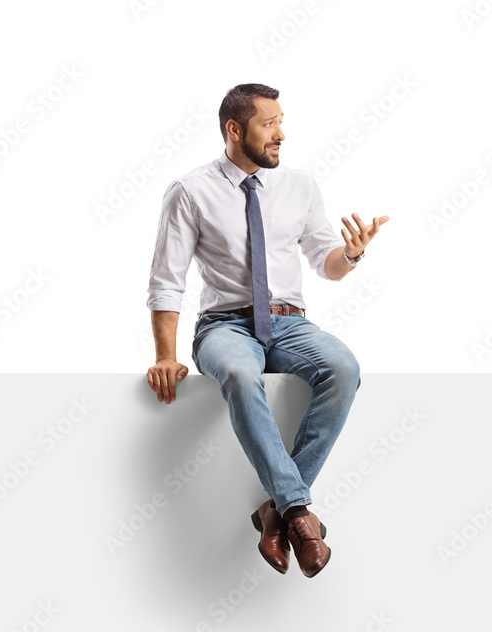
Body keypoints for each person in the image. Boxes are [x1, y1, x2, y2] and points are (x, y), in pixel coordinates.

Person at [144, 84, 388, 578]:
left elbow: (327, 263)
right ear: (235, 130)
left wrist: (354, 253)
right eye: (269, 123)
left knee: (343, 367)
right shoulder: (190, 191)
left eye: (282, 121)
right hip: (225, 325)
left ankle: (275, 513)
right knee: (236, 373)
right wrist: (166, 355)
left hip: (289, 322)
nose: (282, 134)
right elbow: (167, 281)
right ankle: (299, 512)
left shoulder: (300, 185)